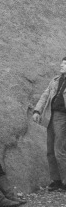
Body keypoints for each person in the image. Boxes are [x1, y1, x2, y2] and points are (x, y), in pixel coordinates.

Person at [32, 56, 66, 192]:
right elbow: (45, 95)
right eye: (62, 63)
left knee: (60, 151)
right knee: (50, 150)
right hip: (51, 115)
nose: (62, 66)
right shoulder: (55, 80)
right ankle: (56, 180)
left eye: (65, 64)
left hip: (63, 117)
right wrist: (37, 110)